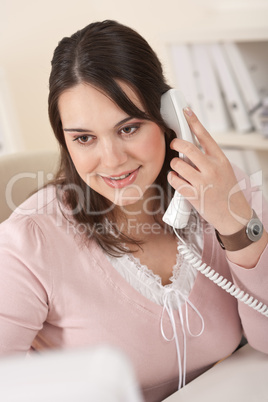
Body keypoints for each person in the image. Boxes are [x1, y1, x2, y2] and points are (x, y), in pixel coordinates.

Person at [0, 20, 267, 402]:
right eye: (84, 138)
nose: (111, 160)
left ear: (168, 118)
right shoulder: (28, 242)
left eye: (129, 129)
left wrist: (234, 225)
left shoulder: (224, 189)